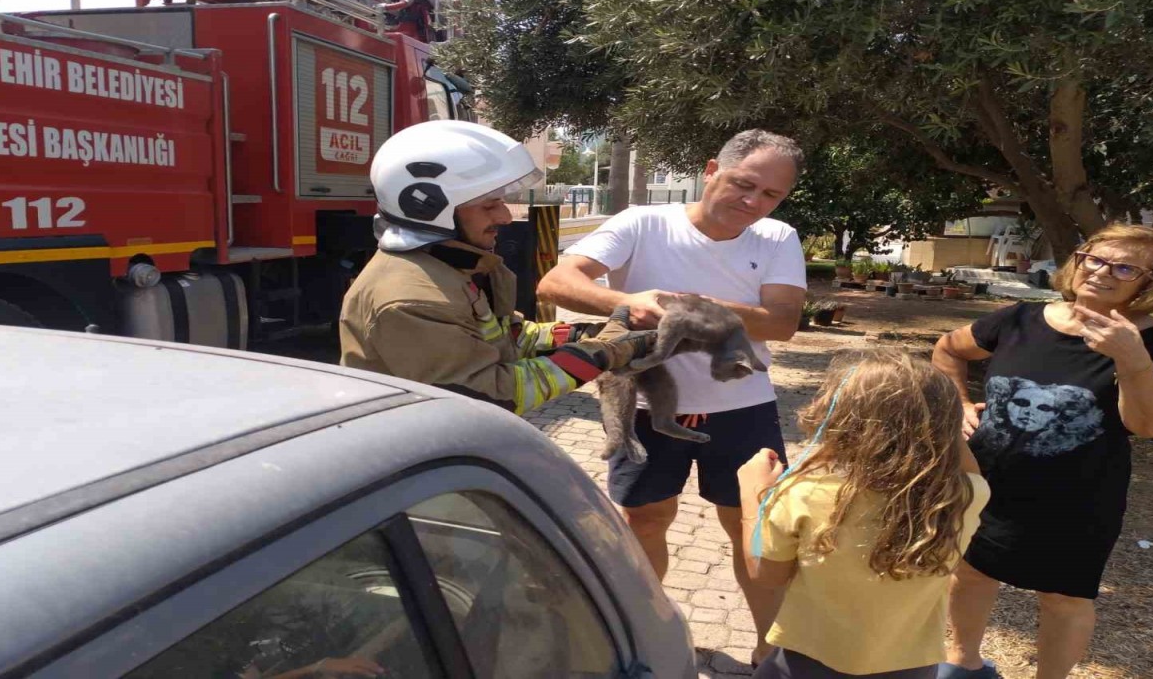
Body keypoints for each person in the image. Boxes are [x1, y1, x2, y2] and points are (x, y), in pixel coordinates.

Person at [537, 129, 808, 664]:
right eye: (743, 184)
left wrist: (694, 306)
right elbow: (556, 283)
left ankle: (769, 655)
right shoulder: (642, 223)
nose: (753, 202)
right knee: (646, 520)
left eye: (770, 195)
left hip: (742, 407)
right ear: (711, 170)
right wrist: (626, 299)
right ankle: (646, 639)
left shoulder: (777, 238)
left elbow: (782, 323)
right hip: (645, 403)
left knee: (754, 529)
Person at [932, 223, 1153, 679]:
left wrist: (1130, 358)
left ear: (1147, 284)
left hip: (1079, 500)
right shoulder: (1019, 319)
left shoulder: (1148, 341)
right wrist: (956, 404)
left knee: (1064, 598)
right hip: (988, 484)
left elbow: (1146, 426)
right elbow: (947, 349)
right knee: (972, 573)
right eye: (1093, 258)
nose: (1101, 271)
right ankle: (963, 663)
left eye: (1125, 267)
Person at [339, 120, 655, 415]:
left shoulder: (447, 269)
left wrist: (581, 333)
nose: (505, 217)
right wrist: (602, 353)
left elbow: (509, 338)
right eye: (490, 205)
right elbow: (495, 393)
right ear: (427, 206)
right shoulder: (413, 300)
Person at [736, 350, 991, 679]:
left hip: (807, 662)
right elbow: (969, 470)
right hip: (911, 666)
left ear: (840, 420)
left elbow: (765, 575)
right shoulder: (964, 497)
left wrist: (752, 495)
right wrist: (937, 421)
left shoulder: (805, 494)